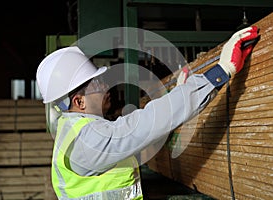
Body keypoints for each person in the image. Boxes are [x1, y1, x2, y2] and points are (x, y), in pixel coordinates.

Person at [36, 26, 259, 200]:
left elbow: (141, 136)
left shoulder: (77, 133)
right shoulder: (88, 142)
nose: (105, 87)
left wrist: (180, 94)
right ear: (79, 101)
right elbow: (142, 125)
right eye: (97, 84)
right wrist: (219, 72)